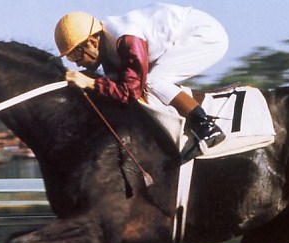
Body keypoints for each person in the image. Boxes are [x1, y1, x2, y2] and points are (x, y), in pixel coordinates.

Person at [54, 3, 229, 151]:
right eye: (70, 58)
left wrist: (91, 83)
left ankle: (205, 127)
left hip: (204, 35)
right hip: (181, 38)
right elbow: (115, 89)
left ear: (92, 42)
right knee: (148, 84)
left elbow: (130, 93)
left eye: (74, 56)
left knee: (153, 82)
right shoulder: (105, 44)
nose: (76, 63)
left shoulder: (127, 39)